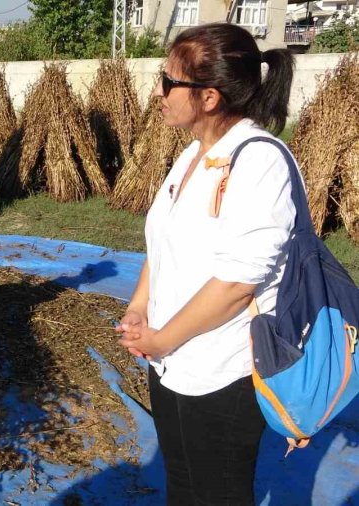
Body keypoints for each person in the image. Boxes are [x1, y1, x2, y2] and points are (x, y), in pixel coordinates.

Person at [115, 23, 296, 505]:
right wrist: (140, 308)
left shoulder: (260, 162)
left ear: (210, 97)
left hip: (223, 371)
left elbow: (238, 283)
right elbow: (165, 241)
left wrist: (162, 337)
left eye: (170, 82)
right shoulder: (194, 156)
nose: (159, 91)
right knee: (182, 482)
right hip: (171, 361)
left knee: (218, 494)